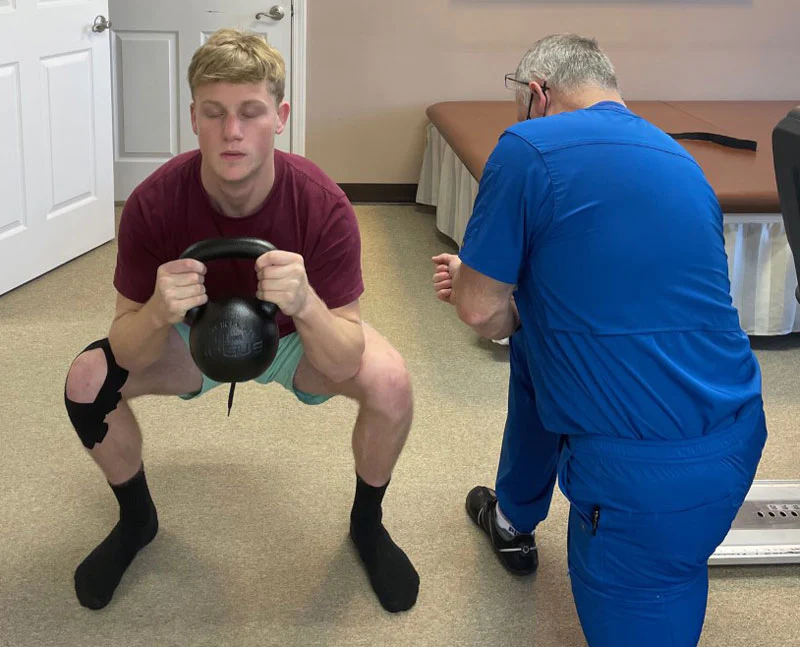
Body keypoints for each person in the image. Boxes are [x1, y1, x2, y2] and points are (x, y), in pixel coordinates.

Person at [63, 28, 419, 614]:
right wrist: (156, 310)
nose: (232, 131)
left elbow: (344, 358)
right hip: (186, 338)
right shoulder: (153, 203)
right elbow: (126, 349)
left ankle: (368, 524)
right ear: (194, 118)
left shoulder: (323, 205)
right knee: (86, 380)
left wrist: (305, 304)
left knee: (390, 381)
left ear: (279, 116)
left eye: (250, 113)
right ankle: (136, 520)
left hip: (290, 341)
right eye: (215, 113)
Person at [432, 33, 767, 646]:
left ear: (537, 94)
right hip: (739, 431)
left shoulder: (527, 146)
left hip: (641, 483)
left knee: (657, 589)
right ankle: (513, 514)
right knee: (537, 339)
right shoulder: (678, 160)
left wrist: (470, 283)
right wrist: (513, 299)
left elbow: (482, 313)